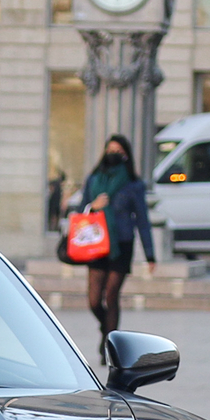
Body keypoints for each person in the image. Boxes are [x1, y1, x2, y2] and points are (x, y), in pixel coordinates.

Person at [73, 133, 157, 351]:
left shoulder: (133, 184)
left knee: (111, 294)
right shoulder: (94, 179)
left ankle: (108, 344)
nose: (114, 154)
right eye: (110, 150)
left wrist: (150, 254)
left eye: (119, 151)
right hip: (96, 244)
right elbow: (80, 211)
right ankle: (107, 328)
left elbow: (142, 220)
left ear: (126, 156)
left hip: (122, 244)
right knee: (93, 300)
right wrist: (93, 205)